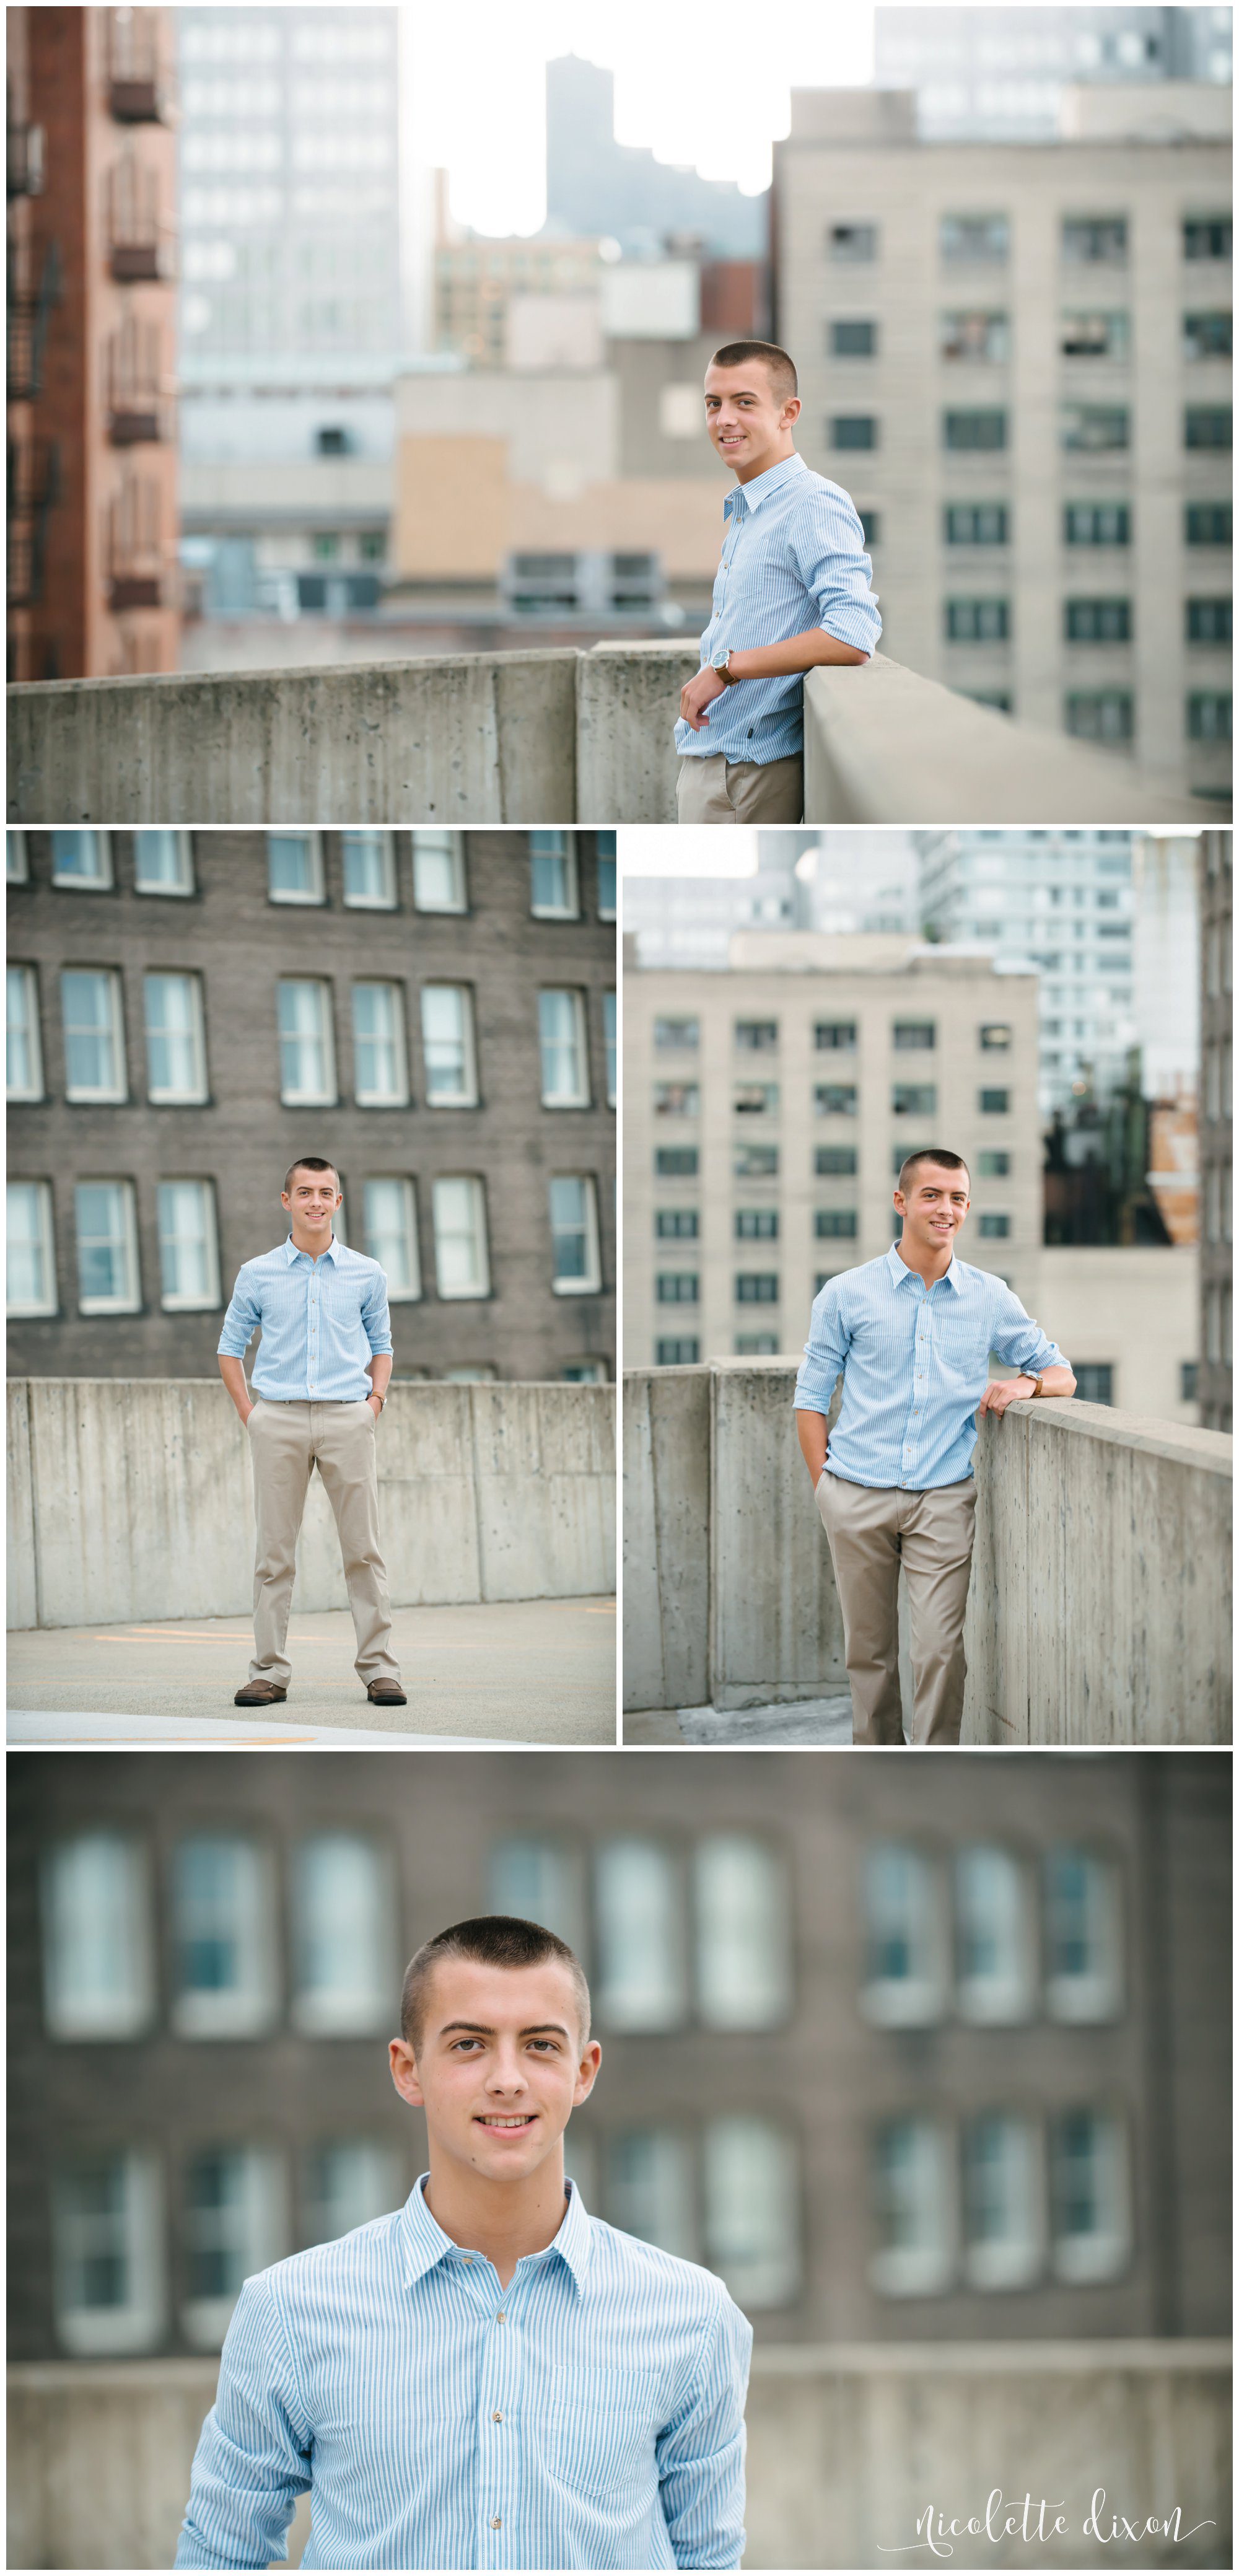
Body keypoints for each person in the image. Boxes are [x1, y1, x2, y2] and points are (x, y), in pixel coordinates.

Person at [175, 1915, 753, 2572]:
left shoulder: (692, 2315)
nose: (507, 2079)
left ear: (583, 2071)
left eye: (539, 2045)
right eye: (468, 2045)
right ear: (407, 2069)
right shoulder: (288, 2311)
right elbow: (220, 2554)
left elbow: (709, 2561)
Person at [794, 1149, 1076, 1746]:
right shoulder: (846, 1295)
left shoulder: (989, 1297)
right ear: (902, 1202)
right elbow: (811, 1399)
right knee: (869, 1654)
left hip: (943, 1499)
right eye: (932, 1195)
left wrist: (1024, 1383)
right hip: (855, 1495)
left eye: (957, 1198)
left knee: (941, 1649)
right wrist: (828, 1492)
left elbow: (1061, 1373)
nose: (945, 1209)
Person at [217, 1156, 406, 1709]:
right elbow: (230, 1349)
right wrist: (251, 1414)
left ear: (338, 1203)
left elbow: (383, 1345)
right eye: (305, 1192)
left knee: (364, 1551)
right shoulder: (257, 1273)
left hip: (350, 1416)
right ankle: (268, 1672)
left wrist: (374, 1402)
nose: (316, 1202)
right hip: (277, 1418)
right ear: (287, 1201)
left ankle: (379, 1669)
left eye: (326, 1192)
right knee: (274, 1554)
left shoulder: (367, 1273)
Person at [674, 338, 882, 826]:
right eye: (714, 404)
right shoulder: (748, 510)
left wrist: (724, 669)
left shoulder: (812, 503)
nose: (724, 419)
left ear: (788, 412)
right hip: (713, 762)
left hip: (749, 775)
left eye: (744, 403)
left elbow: (853, 632)